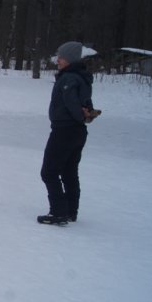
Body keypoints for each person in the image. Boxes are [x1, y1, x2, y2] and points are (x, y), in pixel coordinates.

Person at [37, 41, 94, 226]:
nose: (58, 60)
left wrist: (81, 114)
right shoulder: (82, 77)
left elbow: (72, 105)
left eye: (61, 57)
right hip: (77, 132)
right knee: (69, 171)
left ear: (70, 59)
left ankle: (59, 212)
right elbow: (86, 105)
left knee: (49, 172)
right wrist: (86, 115)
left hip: (64, 131)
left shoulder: (69, 78)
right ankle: (70, 211)